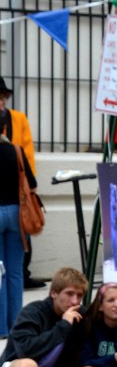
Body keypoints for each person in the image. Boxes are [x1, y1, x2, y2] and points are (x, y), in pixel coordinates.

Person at [0, 267, 99, 367]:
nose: (74, 301)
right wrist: (63, 326)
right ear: (54, 293)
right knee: (28, 366)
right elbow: (26, 351)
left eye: (79, 296)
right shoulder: (34, 312)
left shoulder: (80, 317)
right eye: (69, 293)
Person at [0, 76, 45, 289]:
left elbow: (27, 153)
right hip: (11, 197)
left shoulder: (18, 119)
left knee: (14, 265)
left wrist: (26, 189)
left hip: (17, 190)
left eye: (3, 97)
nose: (2, 101)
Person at [0, 134, 37, 337]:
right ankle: (16, 326)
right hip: (17, 213)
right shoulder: (15, 150)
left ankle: (1, 328)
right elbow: (31, 182)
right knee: (15, 271)